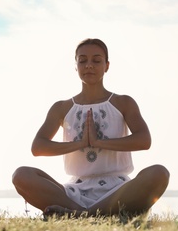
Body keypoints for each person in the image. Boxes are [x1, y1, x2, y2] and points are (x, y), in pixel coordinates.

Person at [12, 38, 169, 218]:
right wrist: (80, 143)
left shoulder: (123, 102)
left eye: (96, 60)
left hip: (118, 191)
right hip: (75, 193)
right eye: (83, 60)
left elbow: (144, 140)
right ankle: (91, 214)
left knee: (159, 173)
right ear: (76, 65)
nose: (89, 66)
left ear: (107, 66)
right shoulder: (61, 107)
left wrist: (100, 142)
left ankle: (80, 216)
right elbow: (38, 147)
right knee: (21, 175)